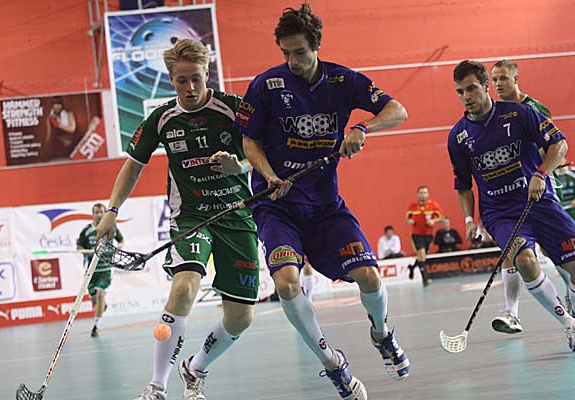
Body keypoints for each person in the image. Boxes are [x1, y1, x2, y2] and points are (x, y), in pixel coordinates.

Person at [235, 4, 410, 398]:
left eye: (299, 52)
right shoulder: (266, 86)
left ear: (316, 46)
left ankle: (382, 333)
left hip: (325, 206)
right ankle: (333, 364)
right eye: (286, 53)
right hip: (276, 205)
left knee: (370, 277)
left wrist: (363, 127)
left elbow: (397, 110)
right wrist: (269, 176)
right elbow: (249, 140)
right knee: (287, 283)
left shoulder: (343, 80)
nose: (292, 61)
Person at [97, 39, 260, 400]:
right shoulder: (162, 119)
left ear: (207, 74)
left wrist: (241, 166)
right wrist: (111, 210)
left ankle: (196, 368)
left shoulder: (234, 109)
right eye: (181, 80)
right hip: (191, 217)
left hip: (236, 216)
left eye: (196, 79)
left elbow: (263, 153)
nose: (189, 88)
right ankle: (157, 386)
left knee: (241, 318)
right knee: (184, 287)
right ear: (171, 79)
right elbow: (132, 166)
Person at [448, 60, 575, 352]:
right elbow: (463, 185)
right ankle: (568, 325)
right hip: (500, 213)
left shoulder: (520, 113)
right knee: (524, 260)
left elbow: (559, 144)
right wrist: (469, 221)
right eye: (460, 92)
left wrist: (541, 173)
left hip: (541, 202)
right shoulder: (458, 137)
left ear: (486, 86)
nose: (466, 97)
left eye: (471, 88)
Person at [489, 59, 574, 333]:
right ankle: (512, 314)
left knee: (552, 249)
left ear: (516, 79)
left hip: (541, 188)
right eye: (494, 79)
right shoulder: (494, 114)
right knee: (512, 250)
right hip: (511, 195)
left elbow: (553, 147)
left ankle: (573, 297)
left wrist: (538, 172)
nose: (498, 84)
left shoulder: (533, 108)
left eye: (503, 78)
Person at [77, 203, 124, 337]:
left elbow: (121, 240)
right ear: (92, 214)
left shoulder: (111, 227)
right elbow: (79, 247)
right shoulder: (86, 231)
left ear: (105, 213)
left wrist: (118, 249)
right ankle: (102, 306)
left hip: (106, 268)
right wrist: (88, 252)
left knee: (100, 294)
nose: (99, 215)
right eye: (96, 212)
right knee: (95, 302)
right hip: (91, 270)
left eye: (101, 212)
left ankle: (96, 326)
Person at [405, 185, 444, 285]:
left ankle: (412, 267)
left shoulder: (433, 205)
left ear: (428, 194)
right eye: (421, 193)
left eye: (425, 192)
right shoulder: (413, 206)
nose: (423, 195)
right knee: (421, 254)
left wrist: (433, 221)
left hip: (428, 235)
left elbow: (442, 217)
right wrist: (410, 221)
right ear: (418, 194)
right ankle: (425, 279)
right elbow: (407, 218)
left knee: (422, 257)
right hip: (417, 234)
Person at [556, 160, 575, 226]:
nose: (560, 162)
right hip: (560, 209)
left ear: (565, 160)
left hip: (573, 208)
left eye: (562, 160)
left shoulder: (573, 173)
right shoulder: (554, 175)